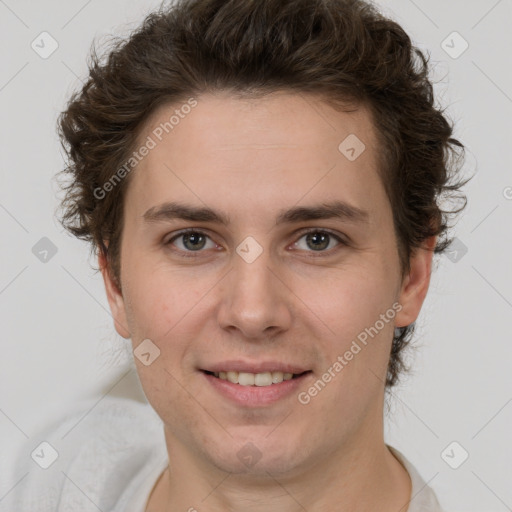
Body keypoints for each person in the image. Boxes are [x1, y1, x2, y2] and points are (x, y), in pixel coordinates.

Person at [8, 0, 469, 510]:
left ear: (412, 275)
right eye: (193, 240)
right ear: (113, 280)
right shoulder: (63, 473)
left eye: (317, 239)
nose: (252, 313)